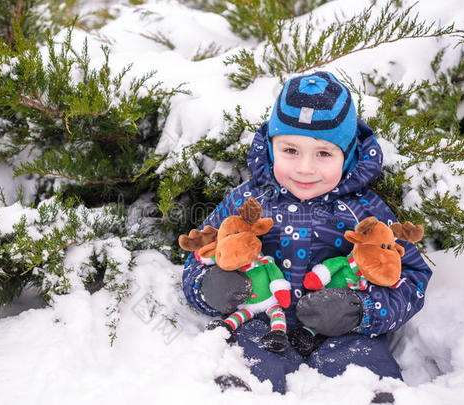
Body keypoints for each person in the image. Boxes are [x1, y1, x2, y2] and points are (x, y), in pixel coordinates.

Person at [182, 71, 431, 397]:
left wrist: (362, 311)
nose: (304, 168)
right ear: (271, 149)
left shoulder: (366, 212)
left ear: (349, 155)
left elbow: (411, 274)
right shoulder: (248, 202)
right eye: (290, 151)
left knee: (365, 371)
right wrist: (211, 286)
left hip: (344, 333)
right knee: (244, 363)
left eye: (324, 153)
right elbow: (201, 251)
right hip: (263, 320)